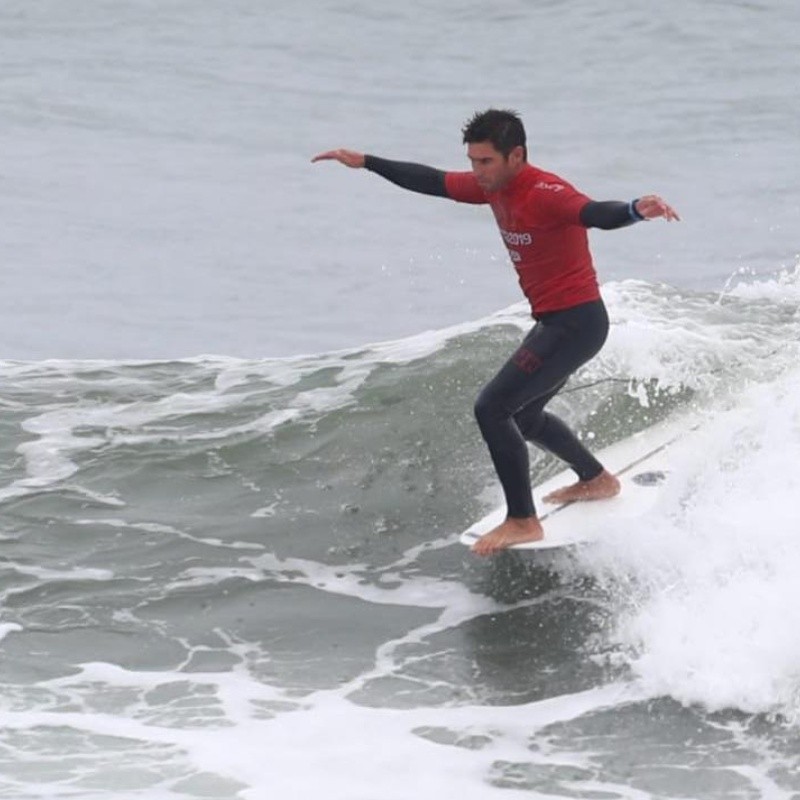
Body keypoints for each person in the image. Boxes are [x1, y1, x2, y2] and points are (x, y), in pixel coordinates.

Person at [312, 109, 679, 556]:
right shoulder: (493, 187)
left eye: (485, 161)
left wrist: (633, 210)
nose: (476, 172)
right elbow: (431, 181)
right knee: (524, 416)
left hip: (576, 322)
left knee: (492, 408)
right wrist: (367, 161)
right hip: (558, 322)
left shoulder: (546, 191)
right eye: (472, 160)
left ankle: (523, 520)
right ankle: (596, 479)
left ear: (516, 155)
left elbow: (591, 213)